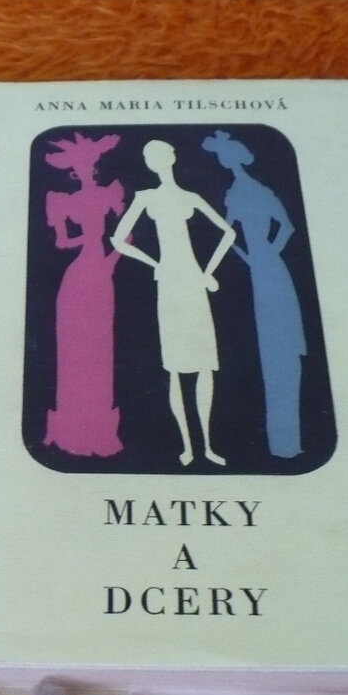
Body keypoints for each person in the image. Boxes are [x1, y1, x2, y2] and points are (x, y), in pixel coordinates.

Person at [111, 139, 235, 466]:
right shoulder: (146, 198)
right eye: (150, 157)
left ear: (173, 157)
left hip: (192, 279)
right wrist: (154, 263)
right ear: (148, 163)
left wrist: (207, 273)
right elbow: (118, 239)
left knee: (205, 363)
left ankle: (208, 446)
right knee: (177, 367)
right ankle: (187, 447)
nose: (156, 160)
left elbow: (228, 233)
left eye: (161, 155)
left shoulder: (190, 197)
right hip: (169, 282)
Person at [202, 130, 307, 458]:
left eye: (224, 157)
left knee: (278, 345)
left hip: (268, 269)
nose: (224, 162)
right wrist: (252, 255)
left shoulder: (254, 191)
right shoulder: (238, 192)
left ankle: (285, 442)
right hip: (262, 266)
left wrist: (260, 254)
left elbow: (285, 227)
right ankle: (282, 442)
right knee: (270, 347)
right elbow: (230, 233)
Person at [43, 132, 125, 457]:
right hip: (79, 273)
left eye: (90, 166)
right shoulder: (62, 201)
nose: (87, 171)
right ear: (74, 172)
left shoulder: (109, 193)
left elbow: (124, 236)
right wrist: (90, 241)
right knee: (74, 344)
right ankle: (70, 427)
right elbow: (62, 242)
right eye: (81, 167)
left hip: (101, 272)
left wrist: (113, 255)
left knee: (99, 344)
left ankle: (97, 427)